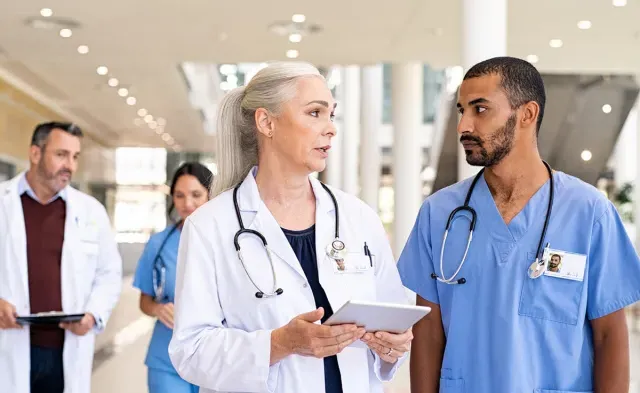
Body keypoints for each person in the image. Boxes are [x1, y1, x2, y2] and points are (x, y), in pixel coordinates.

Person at [397, 56, 640, 393]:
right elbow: (428, 332)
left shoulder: (589, 212)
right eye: (461, 110)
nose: (463, 126)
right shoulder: (439, 214)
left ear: (527, 114)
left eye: (480, 109)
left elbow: (610, 335)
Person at [168, 62, 413, 393]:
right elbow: (191, 351)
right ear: (266, 122)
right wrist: (279, 343)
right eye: (315, 113)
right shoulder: (210, 226)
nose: (330, 128)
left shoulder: (358, 218)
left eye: (331, 114)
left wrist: (392, 346)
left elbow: (393, 319)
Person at [0, 122, 123, 393]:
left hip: (67, 349)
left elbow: (109, 273)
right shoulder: (2, 202)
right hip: (8, 346)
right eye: (61, 154)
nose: (70, 165)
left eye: (75, 156)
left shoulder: (90, 211)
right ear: (35, 154)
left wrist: (92, 315)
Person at [133, 162, 213, 393]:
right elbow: (145, 300)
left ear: (211, 194)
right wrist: (158, 309)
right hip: (166, 357)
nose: (187, 204)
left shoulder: (228, 241)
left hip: (214, 358)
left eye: (196, 194)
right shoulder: (159, 243)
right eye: (179, 195)